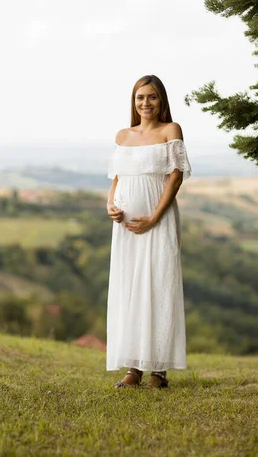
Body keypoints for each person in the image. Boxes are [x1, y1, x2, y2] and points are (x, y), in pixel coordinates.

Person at [106, 74, 192, 389]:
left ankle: (158, 370)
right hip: (125, 226)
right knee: (129, 287)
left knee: (158, 284)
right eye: (140, 97)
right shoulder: (122, 135)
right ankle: (133, 368)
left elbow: (175, 178)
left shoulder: (171, 131)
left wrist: (154, 217)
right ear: (134, 101)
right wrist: (110, 205)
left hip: (159, 220)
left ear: (162, 100)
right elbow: (116, 178)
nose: (146, 103)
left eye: (152, 97)